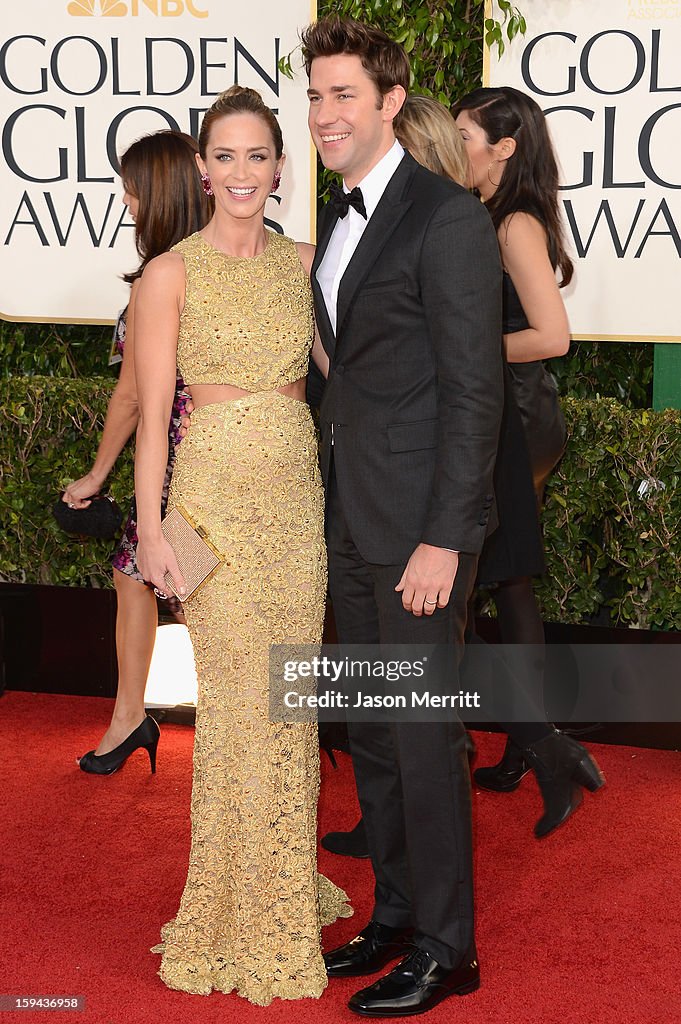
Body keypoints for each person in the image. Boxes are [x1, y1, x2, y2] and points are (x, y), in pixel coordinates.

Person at [302, 17, 504, 1017]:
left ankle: (448, 945)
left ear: (390, 102)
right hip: (351, 519)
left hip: (418, 531)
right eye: (316, 95)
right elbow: (352, 378)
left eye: (344, 95)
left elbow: (476, 394)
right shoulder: (343, 218)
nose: (325, 113)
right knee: (374, 734)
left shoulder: (447, 218)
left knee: (422, 736)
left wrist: (445, 536)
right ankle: (393, 913)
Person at [133, 85, 349, 1006]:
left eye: (257, 156)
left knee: (288, 705)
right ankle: (230, 910)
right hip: (213, 505)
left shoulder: (305, 264)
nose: (241, 173)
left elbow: (357, 372)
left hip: (296, 507)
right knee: (235, 712)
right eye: (224, 156)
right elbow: (151, 422)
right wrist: (150, 533)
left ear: (278, 168)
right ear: (201, 168)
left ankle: (279, 891)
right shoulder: (167, 275)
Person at [452, 86, 604, 834]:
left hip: (515, 417)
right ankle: (529, 744)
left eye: (465, 134)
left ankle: (536, 743)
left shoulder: (511, 221)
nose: (456, 147)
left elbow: (552, 336)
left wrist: (460, 356)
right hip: (503, 414)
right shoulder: (485, 212)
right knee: (507, 584)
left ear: (503, 147)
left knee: (484, 581)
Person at [62, 130, 213, 775]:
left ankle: (261, 733)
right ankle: (130, 719)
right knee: (139, 575)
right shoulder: (213, 261)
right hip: (205, 448)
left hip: (184, 456)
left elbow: (129, 397)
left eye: (132, 187)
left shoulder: (165, 274)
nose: (124, 199)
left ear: (158, 193)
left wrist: (95, 475)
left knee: (194, 590)